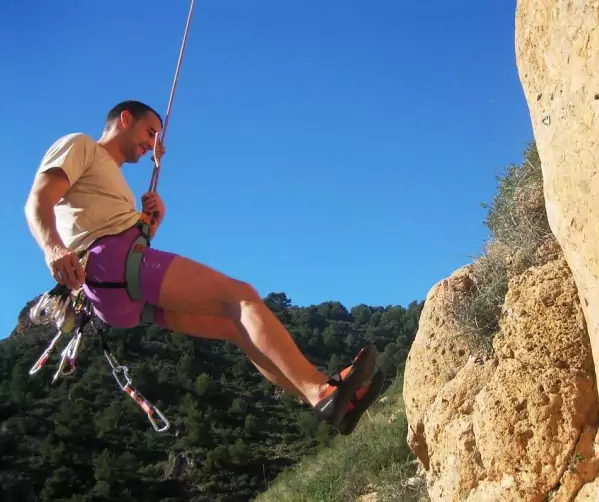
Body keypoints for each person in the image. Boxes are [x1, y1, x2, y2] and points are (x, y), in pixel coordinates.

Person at [24, 100, 384, 434]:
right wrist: (52, 248)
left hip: (115, 292)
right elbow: (38, 199)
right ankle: (322, 391)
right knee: (241, 298)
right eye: (151, 132)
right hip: (113, 264)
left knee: (234, 326)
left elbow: (113, 228)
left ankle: (332, 402)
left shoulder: (113, 184)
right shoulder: (81, 145)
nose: (152, 144)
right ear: (125, 119)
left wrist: (151, 221)